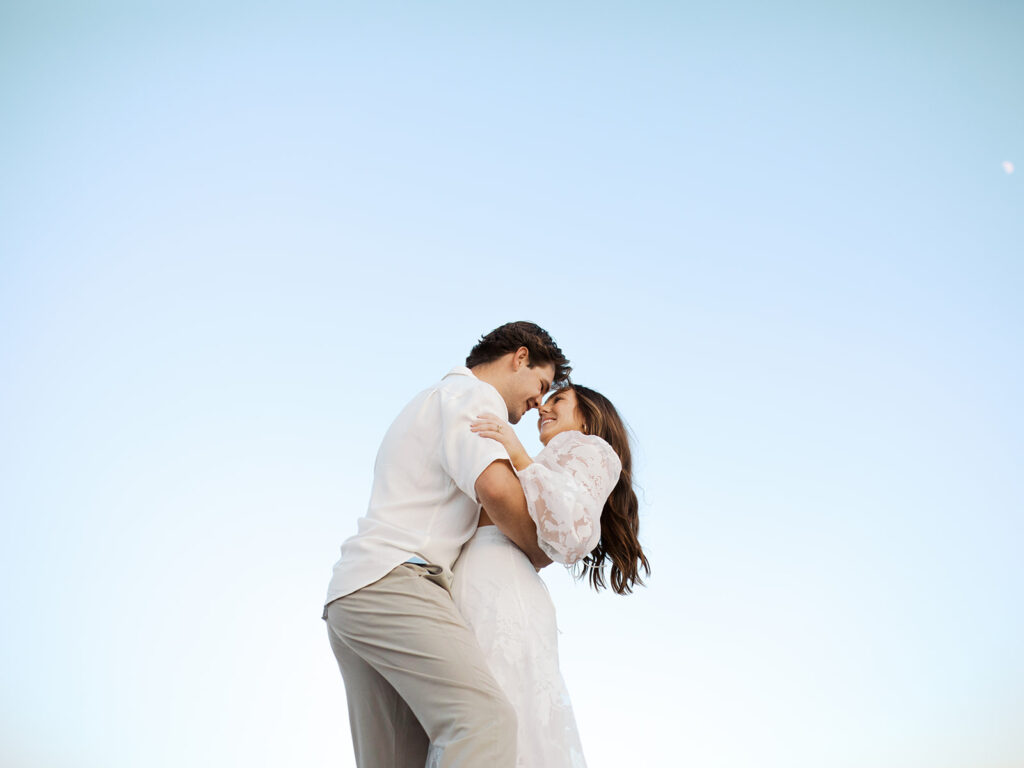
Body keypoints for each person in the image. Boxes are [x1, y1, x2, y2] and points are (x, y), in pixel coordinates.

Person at [323, 321, 571, 768]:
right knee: (485, 721)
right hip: (397, 582)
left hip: (353, 594)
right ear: (519, 357)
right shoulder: (473, 397)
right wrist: (538, 547)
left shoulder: (429, 401)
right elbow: (495, 489)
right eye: (541, 384)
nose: (539, 402)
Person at [427, 384, 650, 767]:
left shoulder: (593, 450)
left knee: (500, 706)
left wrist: (517, 454)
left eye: (558, 400)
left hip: (501, 583)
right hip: (477, 577)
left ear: (586, 418)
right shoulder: (549, 457)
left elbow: (574, 527)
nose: (543, 409)